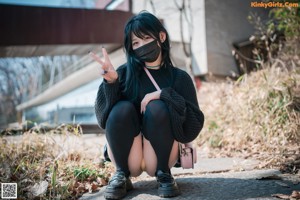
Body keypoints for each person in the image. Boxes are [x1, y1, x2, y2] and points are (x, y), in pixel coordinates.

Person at [93, 11, 204, 199]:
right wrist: (111, 84)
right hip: (129, 157)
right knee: (122, 108)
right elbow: (103, 118)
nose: (142, 46)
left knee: (157, 107)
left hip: (161, 155)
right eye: (136, 43)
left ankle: (164, 175)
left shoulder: (179, 78)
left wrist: (164, 94)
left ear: (161, 36)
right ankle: (121, 174)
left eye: (146, 38)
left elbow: (194, 124)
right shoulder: (123, 74)